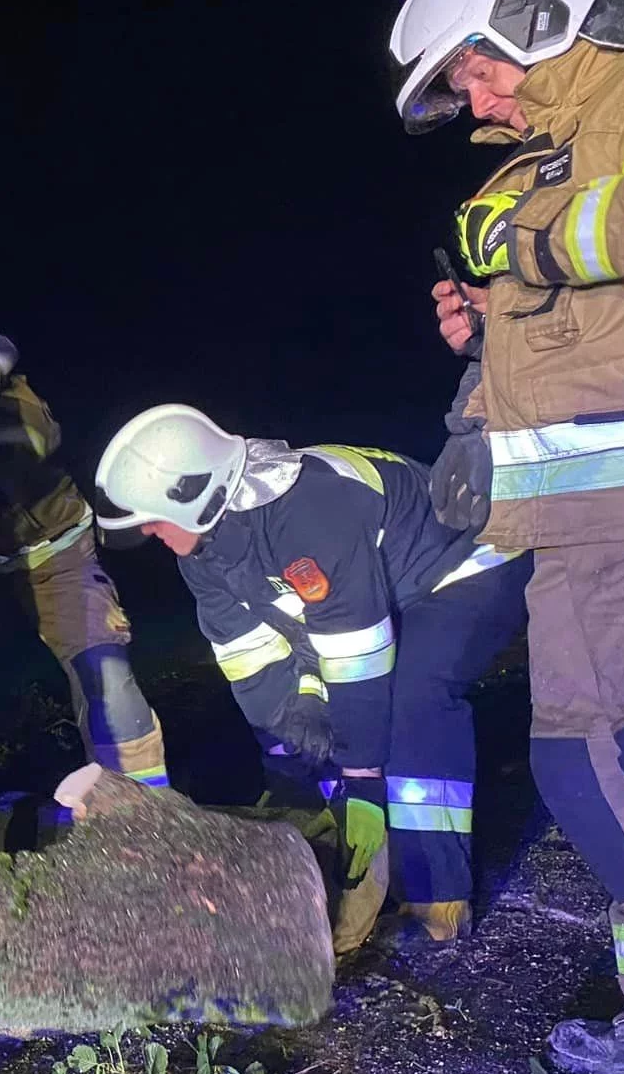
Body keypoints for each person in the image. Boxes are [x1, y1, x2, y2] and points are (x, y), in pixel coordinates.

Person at [394, 0, 624, 1074]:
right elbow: (565, 321)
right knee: (579, 766)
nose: (475, 98)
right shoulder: (521, 166)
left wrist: (528, 242)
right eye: (456, 88)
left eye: (476, 67)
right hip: (570, 530)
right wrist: (480, 354)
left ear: (538, 10)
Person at [93, 405, 528, 953]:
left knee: (415, 700)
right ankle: (346, 867)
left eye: (153, 518)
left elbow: (356, 654)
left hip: (465, 567)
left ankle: (435, 899)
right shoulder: (204, 555)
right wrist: (293, 728)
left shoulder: (309, 511)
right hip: (381, 592)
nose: (149, 532)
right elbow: (251, 658)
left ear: (197, 493)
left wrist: (364, 777)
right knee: (311, 742)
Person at [0, 322, 168, 785]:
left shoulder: (13, 408)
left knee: (103, 668)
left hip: (53, 551)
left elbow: (37, 439)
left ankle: (145, 806)